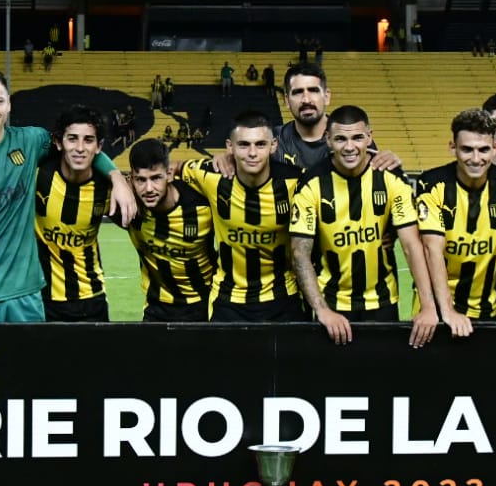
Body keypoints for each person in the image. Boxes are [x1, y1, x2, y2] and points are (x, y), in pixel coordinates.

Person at [0, 67, 134, 324]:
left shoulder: (30, 141)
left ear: (9, 104)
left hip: (27, 295)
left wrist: (116, 177)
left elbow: (78, 147)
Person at [289, 106, 439, 345]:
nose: (350, 147)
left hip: (384, 302)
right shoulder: (311, 183)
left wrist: (428, 306)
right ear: (328, 140)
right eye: (341, 139)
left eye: (357, 137)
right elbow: (299, 253)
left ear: (369, 137)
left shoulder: (391, 178)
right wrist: (322, 309)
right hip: (332, 304)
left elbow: (411, 245)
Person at [414, 109, 496, 334]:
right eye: (467, 149)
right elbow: (432, 250)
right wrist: (448, 311)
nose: (475, 159)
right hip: (437, 313)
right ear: (452, 147)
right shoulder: (432, 184)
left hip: (488, 310)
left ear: (495, 147)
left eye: (483, 149)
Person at [182, 110, 304, 321]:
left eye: (260, 144)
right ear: (230, 147)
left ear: (273, 145)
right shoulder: (210, 176)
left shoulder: (296, 182)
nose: (252, 153)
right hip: (227, 301)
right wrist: (121, 183)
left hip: (284, 298)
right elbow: (172, 169)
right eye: (244, 145)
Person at [35, 106, 115, 321]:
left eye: (88, 140)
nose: (80, 148)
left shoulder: (107, 189)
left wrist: (119, 180)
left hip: (92, 300)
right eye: (72, 139)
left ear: (99, 147)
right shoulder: (38, 178)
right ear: (59, 142)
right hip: (43, 301)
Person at [125, 138, 216, 322]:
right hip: (156, 308)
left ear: (169, 174)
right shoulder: (128, 206)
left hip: (204, 307)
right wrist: (115, 177)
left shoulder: (202, 204)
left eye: (156, 178)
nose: (148, 189)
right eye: (140, 180)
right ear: (131, 179)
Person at [269, 63, 400, 173]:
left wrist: (387, 161)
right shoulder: (273, 140)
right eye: (298, 92)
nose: (306, 99)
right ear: (287, 100)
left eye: (313, 90)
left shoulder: (354, 137)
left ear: (326, 96)